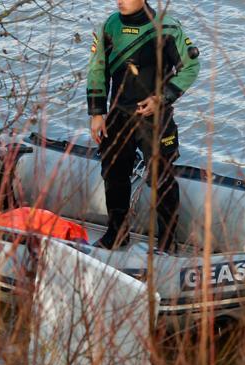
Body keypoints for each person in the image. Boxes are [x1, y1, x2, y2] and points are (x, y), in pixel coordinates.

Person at [86, 0, 200, 250]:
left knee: (162, 179)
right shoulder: (109, 26)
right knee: (114, 175)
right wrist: (96, 113)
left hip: (156, 118)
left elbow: (191, 67)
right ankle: (117, 234)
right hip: (118, 116)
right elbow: (97, 69)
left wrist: (162, 98)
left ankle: (167, 242)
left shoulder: (167, 27)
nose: (120, 1)